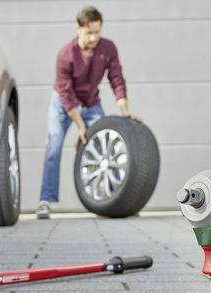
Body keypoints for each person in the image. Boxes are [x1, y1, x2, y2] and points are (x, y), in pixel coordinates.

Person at [37, 6, 134, 219]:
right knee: (53, 148)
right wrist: (81, 126)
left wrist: (125, 110)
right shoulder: (65, 55)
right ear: (78, 28)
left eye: (97, 32)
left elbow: (116, 77)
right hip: (63, 106)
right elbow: (66, 94)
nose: (94, 37)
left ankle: (116, 198)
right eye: (89, 32)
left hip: (91, 103)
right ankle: (46, 200)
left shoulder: (108, 48)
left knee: (105, 149)